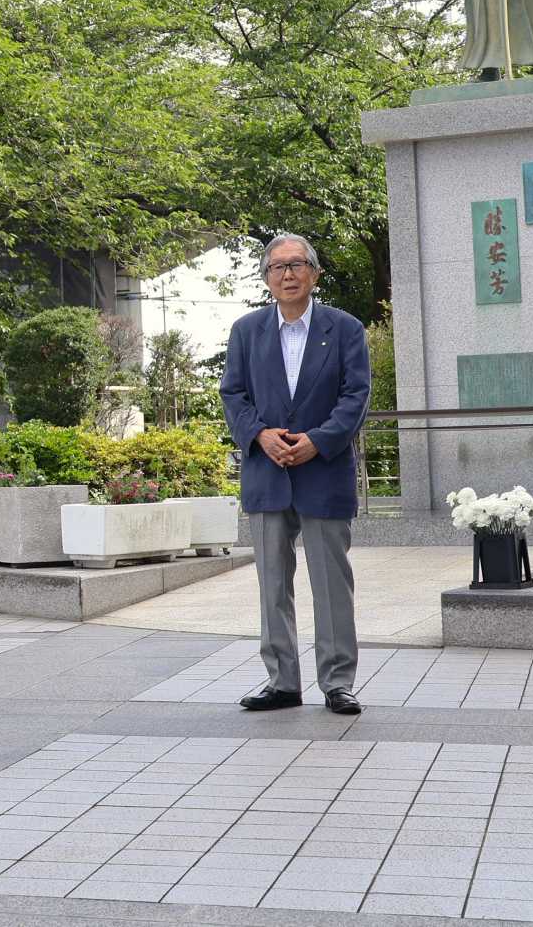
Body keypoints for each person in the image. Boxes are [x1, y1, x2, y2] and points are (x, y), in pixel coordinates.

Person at [219, 233, 371, 717]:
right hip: (267, 473)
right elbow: (233, 394)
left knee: (331, 584)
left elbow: (356, 396)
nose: (287, 274)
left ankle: (338, 681)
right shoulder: (246, 331)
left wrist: (318, 441)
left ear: (315, 273)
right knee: (272, 585)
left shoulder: (344, 329)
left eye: (297, 265)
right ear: (266, 279)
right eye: (277, 267)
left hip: (322, 473)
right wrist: (260, 436)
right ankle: (282, 681)